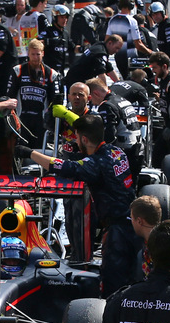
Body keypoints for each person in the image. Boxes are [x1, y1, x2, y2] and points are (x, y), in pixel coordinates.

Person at [20, 114, 138, 296]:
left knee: (113, 287)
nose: (75, 140)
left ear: (84, 139)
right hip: (134, 222)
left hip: (118, 230)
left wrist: (29, 153)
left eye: (76, 137)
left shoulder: (95, 164)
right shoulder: (117, 152)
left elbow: (63, 167)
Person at [6, 38, 62, 147]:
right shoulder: (18, 70)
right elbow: (9, 96)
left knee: (39, 149)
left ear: (43, 54)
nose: (35, 58)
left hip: (41, 120)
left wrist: (51, 122)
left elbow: (55, 101)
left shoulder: (51, 74)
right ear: (28, 54)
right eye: (33, 54)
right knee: (20, 148)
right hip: (21, 118)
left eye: (38, 54)